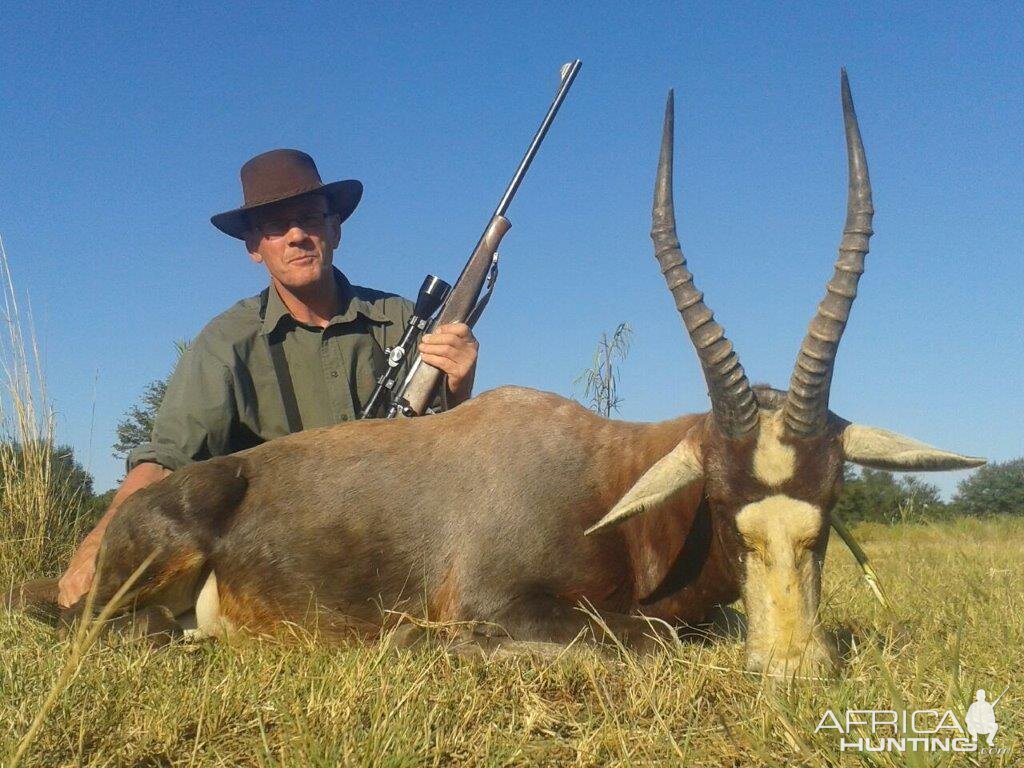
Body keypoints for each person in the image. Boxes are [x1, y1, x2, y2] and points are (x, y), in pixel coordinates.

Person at [58, 149, 479, 607]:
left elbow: (447, 459)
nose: (297, 236)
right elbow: (164, 460)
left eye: (309, 218)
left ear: (334, 228)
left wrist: (460, 392)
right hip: (282, 555)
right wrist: (97, 547)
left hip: (397, 541)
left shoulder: (402, 319)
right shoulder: (227, 342)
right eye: (276, 226)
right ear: (254, 248)